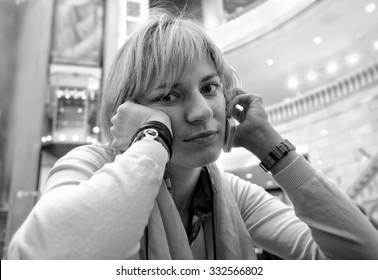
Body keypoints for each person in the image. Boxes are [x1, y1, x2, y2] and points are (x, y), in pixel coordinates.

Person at [8, 9, 378, 260]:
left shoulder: (233, 194)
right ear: (129, 111)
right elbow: (42, 260)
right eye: (169, 95)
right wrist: (153, 139)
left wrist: (271, 146)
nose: (201, 111)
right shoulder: (89, 166)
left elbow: (363, 257)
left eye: (210, 87)